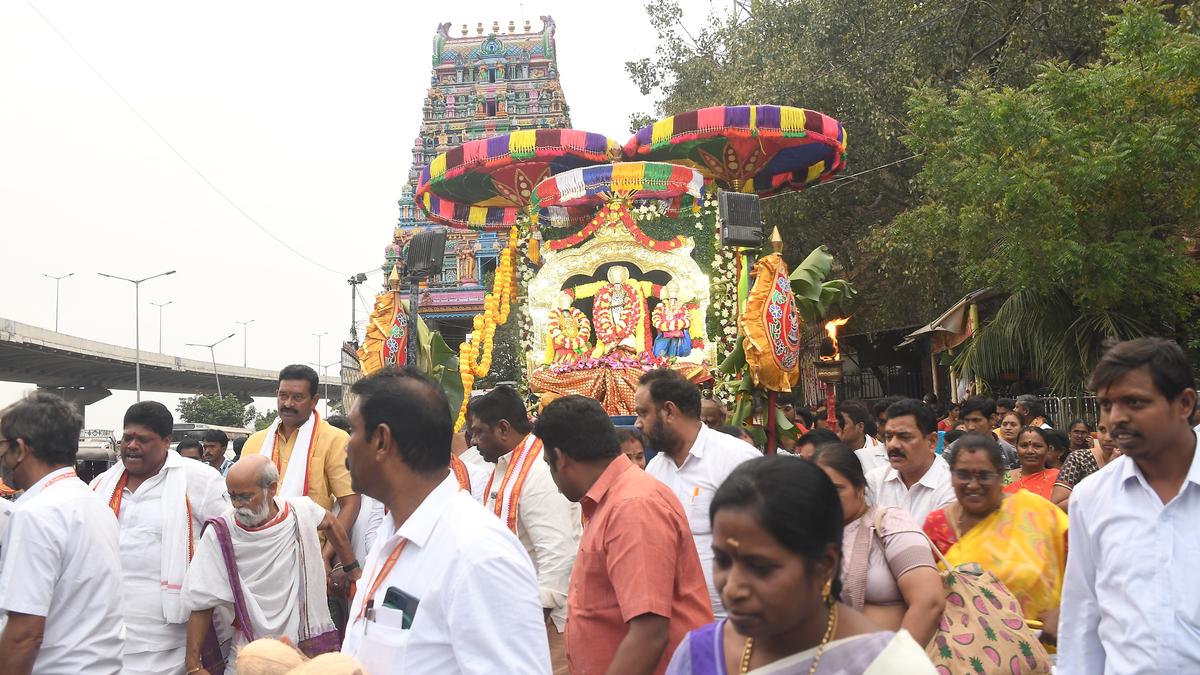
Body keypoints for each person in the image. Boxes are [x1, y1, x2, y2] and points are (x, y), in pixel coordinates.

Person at [341, 367, 551, 674]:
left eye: (353, 431)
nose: (346, 446)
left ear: (382, 441)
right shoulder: (391, 533)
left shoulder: (477, 554)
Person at [665, 457, 937, 674]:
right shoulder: (699, 653)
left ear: (824, 565)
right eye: (723, 561)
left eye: (761, 567)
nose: (733, 588)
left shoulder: (890, 665)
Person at [535, 395, 712, 675]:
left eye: (548, 463)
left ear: (560, 457)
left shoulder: (632, 506)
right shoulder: (612, 500)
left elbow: (650, 633)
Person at [1058, 338, 1200, 673]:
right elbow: (1082, 616)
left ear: (1184, 404)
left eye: (1134, 402)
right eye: (1107, 405)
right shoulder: (1091, 497)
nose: (1116, 418)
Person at [183, 456, 359, 673]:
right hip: (248, 645)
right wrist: (193, 665)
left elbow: (331, 522)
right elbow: (202, 597)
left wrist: (353, 569)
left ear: (272, 488)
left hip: (300, 641)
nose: (238, 505)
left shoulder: (299, 512)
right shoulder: (221, 532)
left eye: (246, 497)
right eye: (233, 497)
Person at [90, 401, 229, 674]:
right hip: (106, 633)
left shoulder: (199, 480)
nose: (131, 445)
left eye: (142, 440)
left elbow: (231, 540)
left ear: (166, 442)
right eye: (127, 438)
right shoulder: (101, 485)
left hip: (170, 640)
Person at [0, 392, 125, 675]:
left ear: (20, 449)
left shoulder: (35, 512)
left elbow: (24, 635)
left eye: (3, 447)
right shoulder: (94, 502)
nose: (2, 459)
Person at [467, 385, 580, 672]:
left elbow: (557, 554)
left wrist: (526, 625)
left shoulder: (539, 471)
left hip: (546, 623)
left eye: (480, 432)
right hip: (519, 616)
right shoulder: (504, 467)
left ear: (503, 429)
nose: (475, 441)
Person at [923, 433, 1068, 644]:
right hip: (966, 653)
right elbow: (924, 594)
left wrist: (1065, 608)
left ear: (1001, 476)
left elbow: (1087, 566)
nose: (973, 484)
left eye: (984, 475)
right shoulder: (938, 526)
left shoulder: (1036, 511)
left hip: (1045, 648)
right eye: (963, 475)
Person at [639, 369, 760, 617]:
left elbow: (767, 539)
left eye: (643, 413)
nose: (637, 423)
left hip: (732, 623)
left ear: (670, 411)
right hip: (673, 619)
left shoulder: (735, 458)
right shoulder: (655, 468)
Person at [810, 443, 944, 647]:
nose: (826, 498)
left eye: (837, 489)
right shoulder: (812, 536)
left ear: (859, 486)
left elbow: (929, 603)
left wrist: (896, 664)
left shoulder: (889, 524)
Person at [243, 365, 359, 556]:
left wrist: (326, 557)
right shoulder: (256, 442)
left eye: (297, 397)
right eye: (283, 395)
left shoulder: (334, 439)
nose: (288, 403)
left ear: (314, 401)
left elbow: (351, 503)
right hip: (256, 550)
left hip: (309, 553)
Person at [866, 399, 955, 524]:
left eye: (905, 437)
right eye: (889, 437)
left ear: (932, 441)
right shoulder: (874, 481)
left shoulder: (951, 486)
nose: (893, 445)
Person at [1049, 422, 1118, 512]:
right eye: (1102, 430)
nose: (1108, 438)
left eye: (1116, 431)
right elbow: (1057, 506)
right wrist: (1109, 472)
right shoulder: (1079, 458)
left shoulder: (1139, 461)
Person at [951, 397, 1019, 469]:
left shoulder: (1010, 452)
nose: (970, 427)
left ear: (993, 419)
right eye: (967, 421)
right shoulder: (952, 451)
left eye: (976, 420)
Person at [1002, 426, 1059, 499]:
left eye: (1037, 446)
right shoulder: (1004, 479)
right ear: (1016, 448)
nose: (1030, 451)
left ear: (1049, 449)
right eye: (1024, 446)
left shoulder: (1058, 478)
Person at [836, 400, 885, 472]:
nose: (838, 428)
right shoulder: (832, 454)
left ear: (860, 426)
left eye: (843, 424)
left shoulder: (883, 456)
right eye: (837, 424)